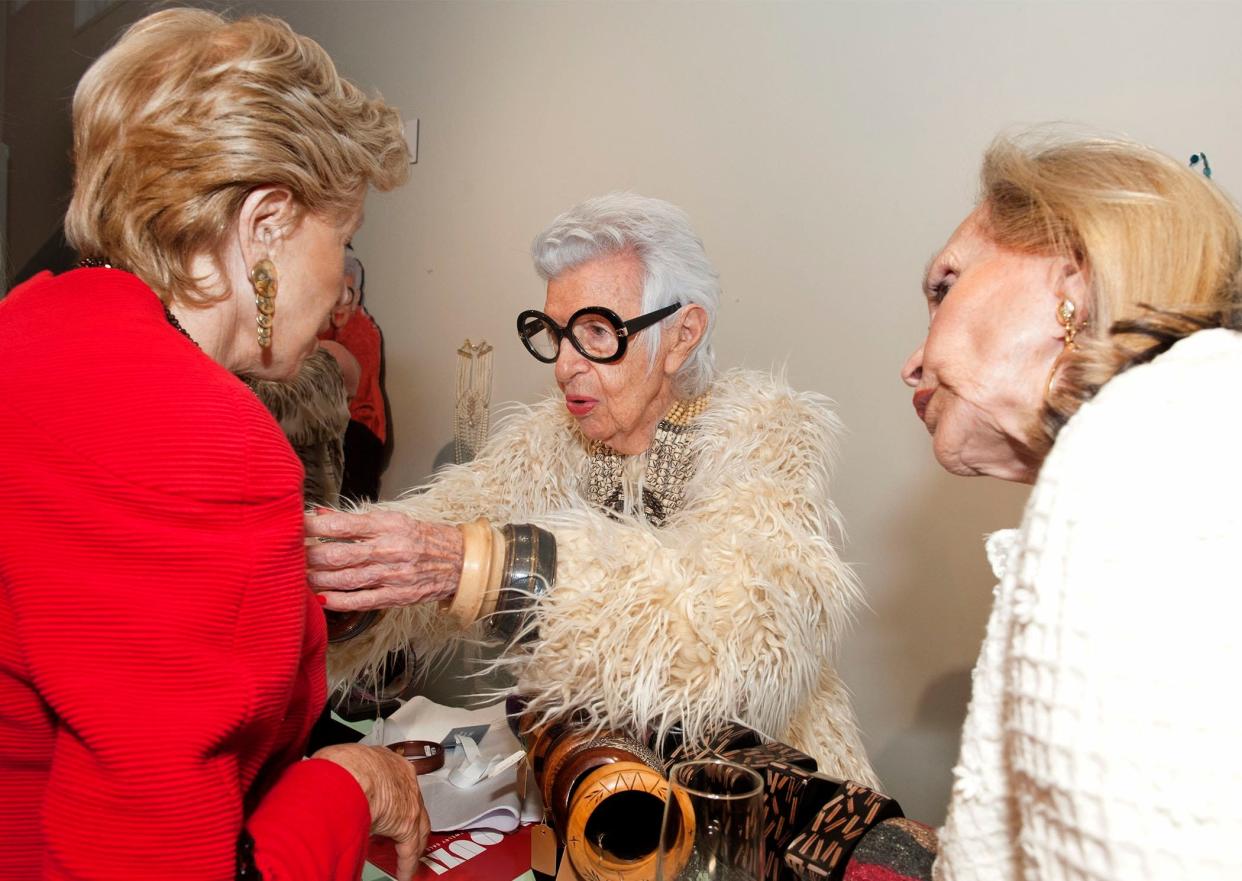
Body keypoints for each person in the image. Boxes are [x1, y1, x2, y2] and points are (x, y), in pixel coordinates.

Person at [0, 9, 430, 880]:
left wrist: (293, 598)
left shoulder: (29, 322)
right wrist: (353, 786)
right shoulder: (204, 444)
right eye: (341, 242)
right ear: (266, 223)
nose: (342, 284)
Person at [307, 192, 878, 784]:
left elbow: (738, 632)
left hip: (760, 795)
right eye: (555, 333)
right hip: (596, 789)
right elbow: (453, 520)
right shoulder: (550, 439)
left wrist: (484, 567)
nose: (563, 367)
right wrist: (356, 581)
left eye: (598, 332)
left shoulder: (766, 432)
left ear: (682, 335)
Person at [894, 133, 1242, 879]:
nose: (913, 361)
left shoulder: (1142, 437)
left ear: (1074, 274)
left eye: (945, 285)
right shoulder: (1182, 426)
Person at [322, 247, 391, 502]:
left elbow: (349, 388)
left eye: (347, 293)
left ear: (357, 295)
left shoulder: (363, 331)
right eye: (333, 295)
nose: (340, 303)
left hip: (361, 428)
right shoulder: (323, 325)